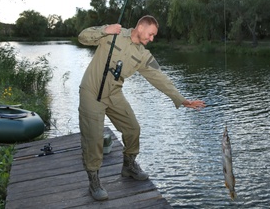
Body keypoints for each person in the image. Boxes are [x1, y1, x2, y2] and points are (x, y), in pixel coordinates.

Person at [78, 15, 206, 201]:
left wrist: (182, 99)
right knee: (94, 138)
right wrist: (104, 30)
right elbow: (82, 36)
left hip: (113, 93)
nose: (152, 39)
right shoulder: (114, 33)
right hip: (91, 91)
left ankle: (129, 166)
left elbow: (160, 78)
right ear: (140, 27)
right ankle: (94, 180)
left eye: (154, 36)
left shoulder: (143, 55)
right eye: (151, 34)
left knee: (133, 128)